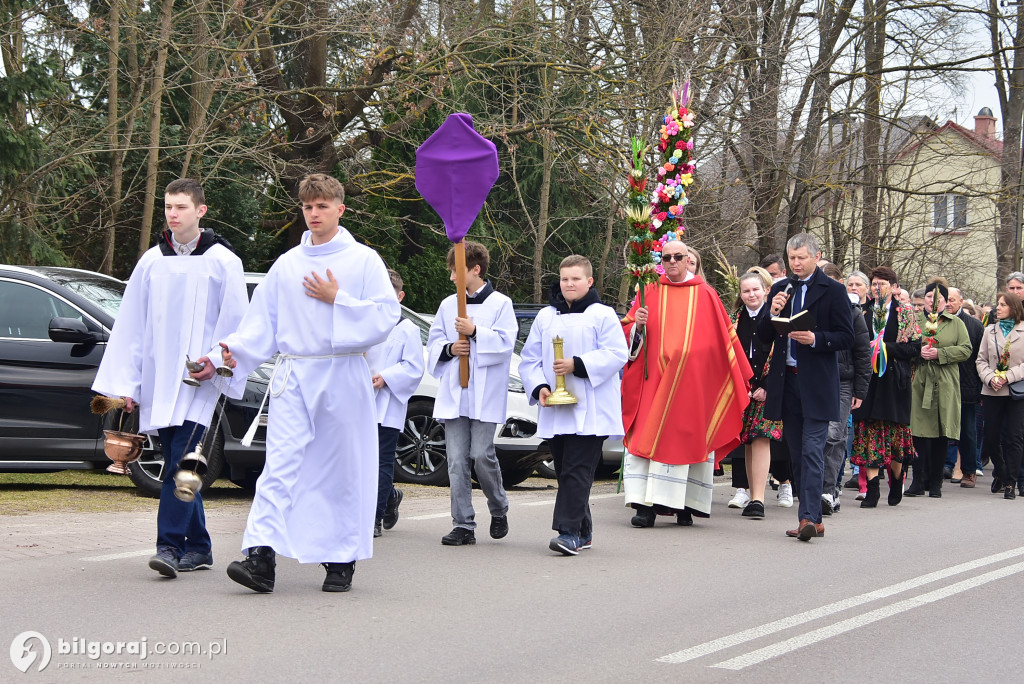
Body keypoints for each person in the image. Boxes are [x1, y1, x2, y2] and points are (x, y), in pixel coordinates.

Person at [210, 173, 400, 594]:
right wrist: (233, 353)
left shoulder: (364, 260)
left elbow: (387, 318)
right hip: (294, 374)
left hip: (343, 374)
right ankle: (259, 557)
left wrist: (340, 300)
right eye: (307, 207)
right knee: (279, 465)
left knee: (342, 469)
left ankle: (340, 559)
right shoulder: (287, 264)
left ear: (340, 209)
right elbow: (262, 325)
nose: (313, 214)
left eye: (322, 206)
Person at [92, 178, 248, 579]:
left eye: (181, 207)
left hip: (200, 382)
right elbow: (131, 327)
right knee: (182, 463)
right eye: (167, 207)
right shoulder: (151, 262)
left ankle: (169, 546)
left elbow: (238, 325)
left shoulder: (223, 262)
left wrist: (216, 360)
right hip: (160, 381)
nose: (173, 214)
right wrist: (127, 387)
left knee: (182, 464)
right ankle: (200, 546)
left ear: (201, 211)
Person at [620, 239, 752, 527]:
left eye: (678, 257)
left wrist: (692, 359)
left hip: (691, 386)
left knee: (689, 440)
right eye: (666, 257)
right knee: (645, 438)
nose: (672, 262)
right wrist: (637, 326)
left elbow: (720, 344)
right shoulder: (649, 290)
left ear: (688, 259)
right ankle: (645, 507)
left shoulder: (705, 294)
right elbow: (628, 334)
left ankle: (685, 506)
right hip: (653, 384)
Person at [519, 255, 628, 554]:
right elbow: (529, 359)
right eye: (564, 278)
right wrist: (540, 386)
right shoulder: (546, 317)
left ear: (589, 281)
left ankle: (567, 533)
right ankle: (585, 530)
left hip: (591, 409)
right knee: (566, 469)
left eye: (576, 279)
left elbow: (617, 353)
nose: (569, 284)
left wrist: (577, 364)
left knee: (577, 471)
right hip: (557, 408)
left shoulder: (602, 315)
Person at [758, 233, 854, 541]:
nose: (796, 263)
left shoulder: (833, 290)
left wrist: (816, 339)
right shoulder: (780, 288)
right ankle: (811, 518)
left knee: (813, 450)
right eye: (792, 258)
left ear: (816, 256)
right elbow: (762, 336)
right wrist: (771, 311)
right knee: (798, 453)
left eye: (801, 257)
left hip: (816, 382)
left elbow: (846, 337)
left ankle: (810, 518)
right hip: (787, 382)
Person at [427, 240, 517, 546]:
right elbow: (434, 342)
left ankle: (498, 506)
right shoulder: (447, 305)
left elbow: (506, 344)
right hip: (456, 391)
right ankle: (463, 523)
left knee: (480, 455)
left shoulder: (501, 305)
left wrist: (476, 332)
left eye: (456, 271)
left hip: (485, 393)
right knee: (455, 460)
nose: (452, 278)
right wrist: (451, 348)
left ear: (475, 269)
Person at [849, 267, 920, 507]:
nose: (878, 288)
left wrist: (883, 348)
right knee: (868, 432)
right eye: (875, 283)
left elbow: (914, 348)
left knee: (894, 434)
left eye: (883, 283)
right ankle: (872, 488)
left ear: (894, 287)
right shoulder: (864, 311)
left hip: (894, 381)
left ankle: (897, 478)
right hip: (868, 380)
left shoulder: (905, 313)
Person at [366, 269, 425, 537]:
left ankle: (374, 517)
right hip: (360, 401)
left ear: (400, 297)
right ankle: (389, 495)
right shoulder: (363, 323)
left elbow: (414, 367)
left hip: (388, 403)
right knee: (361, 461)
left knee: (381, 461)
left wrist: (386, 378)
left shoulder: (408, 329)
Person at [907, 278, 971, 498]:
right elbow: (904, 344)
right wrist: (919, 351)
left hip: (945, 383)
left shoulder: (955, 323)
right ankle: (917, 481)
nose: (933, 301)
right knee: (919, 432)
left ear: (945, 301)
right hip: (920, 382)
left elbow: (965, 350)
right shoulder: (914, 320)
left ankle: (935, 483)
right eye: (928, 297)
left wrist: (940, 354)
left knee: (942, 433)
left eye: (939, 298)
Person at [731, 270, 782, 519]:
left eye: (755, 290)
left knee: (762, 436)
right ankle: (753, 494)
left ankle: (759, 499)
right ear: (741, 295)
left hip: (767, 387)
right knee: (748, 440)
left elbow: (782, 354)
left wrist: (767, 386)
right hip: (742, 388)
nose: (751, 294)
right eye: (746, 291)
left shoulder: (776, 316)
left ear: (766, 291)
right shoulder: (735, 319)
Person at [821, 263, 870, 514]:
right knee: (816, 437)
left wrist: (860, 391)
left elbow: (863, 352)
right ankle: (817, 488)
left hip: (842, 382)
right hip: (816, 379)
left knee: (833, 435)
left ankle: (829, 490)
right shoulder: (813, 307)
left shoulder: (852, 311)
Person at [976, 291, 1024, 499]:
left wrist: (1008, 376)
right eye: (998, 304)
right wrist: (990, 378)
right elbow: (981, 360)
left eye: (1003, 305)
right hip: (992, 390)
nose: (998, 308)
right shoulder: (990, 331)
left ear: (1013, 308)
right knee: (992, 437)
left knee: (1014, 437)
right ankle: (1001, 472)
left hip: (1015, 391)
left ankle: (1011, 482)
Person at [944, 287, 984, 487]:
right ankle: (942, 467)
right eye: (946, 299)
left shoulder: (974, 326)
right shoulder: (938, 322)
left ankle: (969, 471)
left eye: (952, 300)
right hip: (942, 384)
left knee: (967, 431)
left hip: (966, 385)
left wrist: (978, 386)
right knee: (942, 430)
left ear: (961, 302)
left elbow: (980, 357)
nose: (949, 303)